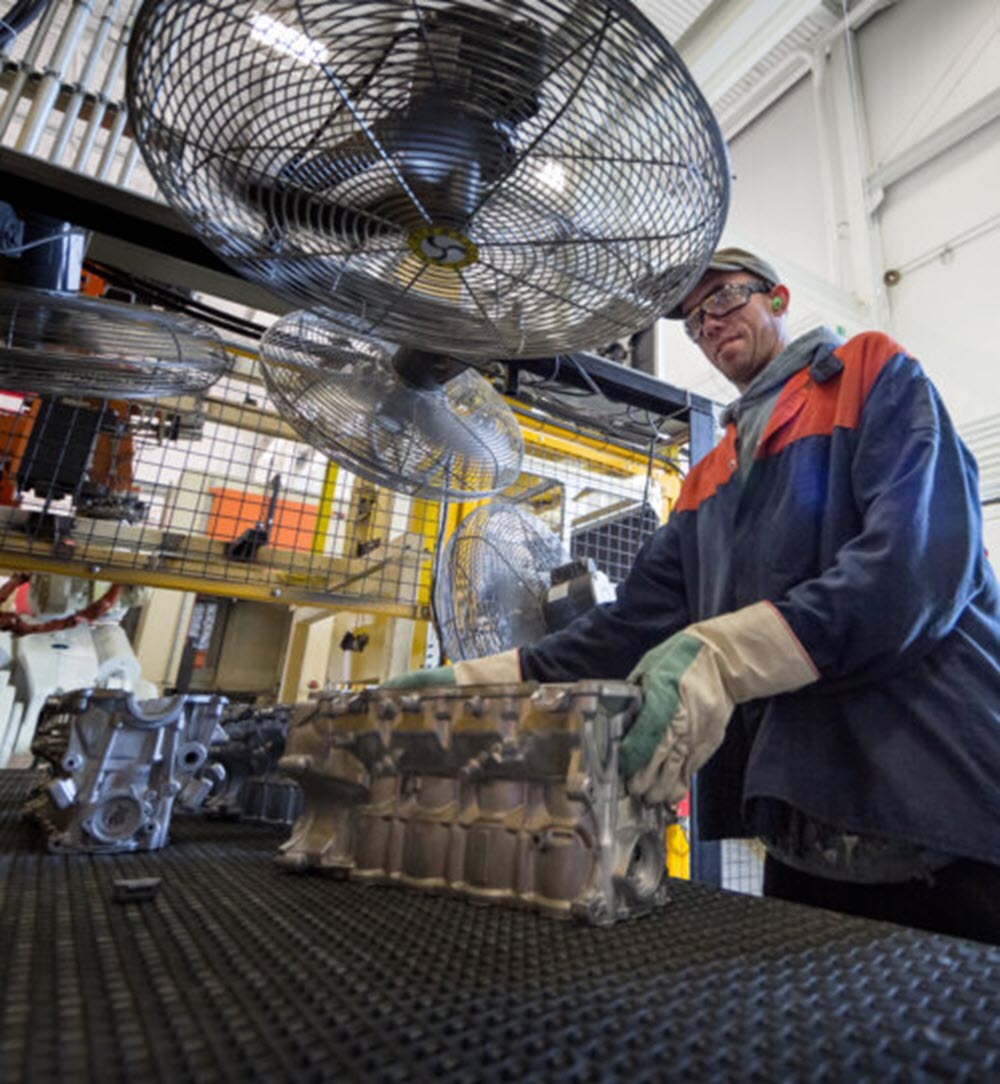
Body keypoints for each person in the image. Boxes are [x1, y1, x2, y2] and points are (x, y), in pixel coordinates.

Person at [386, 247, 1000, 944]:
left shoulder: (871, 372)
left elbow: (912, 572)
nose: (708, 324)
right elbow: (627, 628)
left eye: (725, 300)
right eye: (693, 321)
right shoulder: (711, 472)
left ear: (777, 298)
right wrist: (483, 679)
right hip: (803, 823)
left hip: (946, 805)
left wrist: (724, 654)